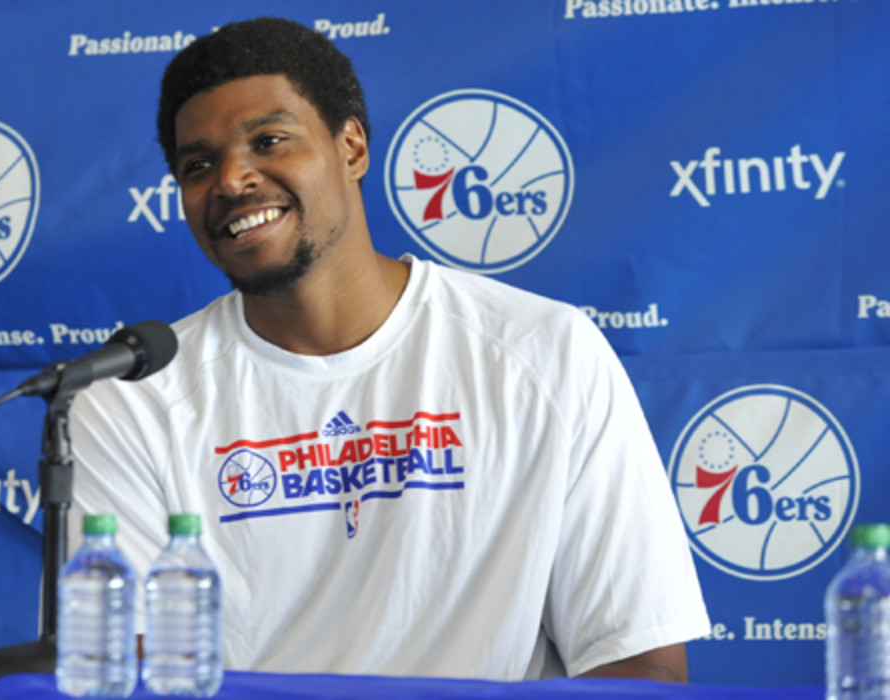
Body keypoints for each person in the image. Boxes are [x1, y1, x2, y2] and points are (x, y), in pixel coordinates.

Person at [69, 16, 709, 682]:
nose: (232, 179)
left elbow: (637, 665)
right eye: (197, 165)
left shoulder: (546, 353)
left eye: (269, 140)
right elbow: (127, 678)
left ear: (351, 148)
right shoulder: (132, 401)